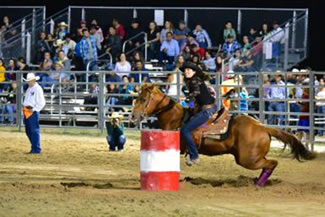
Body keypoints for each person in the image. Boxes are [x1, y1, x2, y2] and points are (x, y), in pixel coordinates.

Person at [180, 62, 217, 166]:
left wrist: (188, 98)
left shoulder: (194, 80)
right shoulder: (193, 80)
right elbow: (195, 98)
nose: (186, 71)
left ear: (194, 72)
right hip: (207, 108)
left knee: (186, 129)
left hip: (207, 110)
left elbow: (196, 92)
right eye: (185, 70)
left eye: (189, 70)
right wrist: (190, 106)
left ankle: (194, 155)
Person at [23, 73, 46, 154]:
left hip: (32, 111)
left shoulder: (38, 89)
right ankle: (34, 147)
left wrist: (35, 109)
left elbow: (42, 102)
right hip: (27, 110)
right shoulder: (30, 88)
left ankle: (36, 149)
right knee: (28, 130)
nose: (29, 82)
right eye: (28, 81)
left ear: (34, 80)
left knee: (33, 130)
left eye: (30, 81)